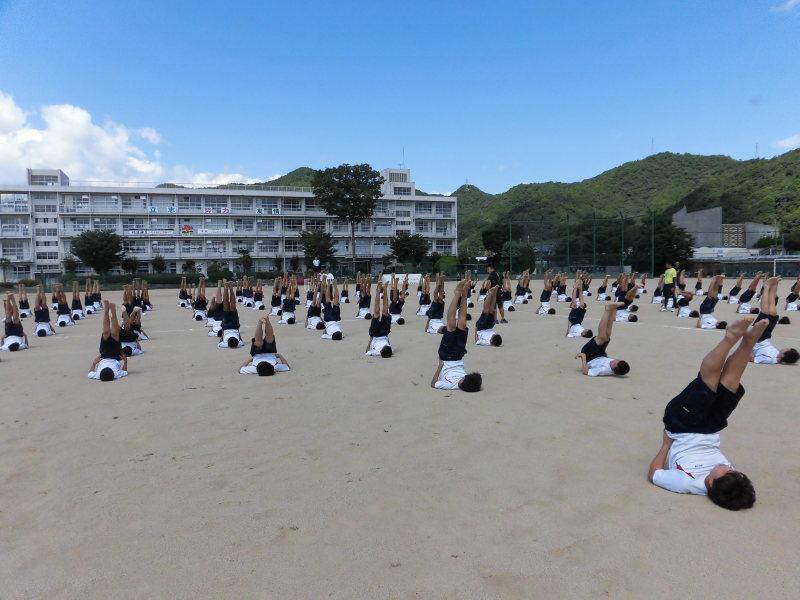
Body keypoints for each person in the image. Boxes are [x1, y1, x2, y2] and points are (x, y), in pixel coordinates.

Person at [647, 318, 763, 509]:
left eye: (726, 471)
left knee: (709, 383)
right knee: (730, 384)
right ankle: (749, 341)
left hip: (682, 425)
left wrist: (666, 444)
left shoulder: (687, 483)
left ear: (710, 482)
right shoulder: (734, 483)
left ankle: (730, 337)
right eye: (735, 472)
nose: (729, 467)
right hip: (712, 427)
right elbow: (739, 493)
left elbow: (654, 474)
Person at [430, 279, 482, 391]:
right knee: (459, 325)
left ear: (463, 381)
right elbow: (434, 384)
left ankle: (459, 294)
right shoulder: (461, 383)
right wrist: (440, 366)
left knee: (453, 325)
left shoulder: (452, 385)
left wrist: (439, 367)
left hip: (451, 355)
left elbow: (433, 384)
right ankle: (463, 295)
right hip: (454, 356)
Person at [749, 277, 799, 365]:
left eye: (787, 349)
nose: (786, 348)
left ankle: (766, 286)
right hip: (765, 338)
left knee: (765, 311)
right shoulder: (777, 355)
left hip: (757, 338)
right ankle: (774, 286)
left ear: (783, 356)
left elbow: (751, 358)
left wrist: (749, 344)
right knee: (773, 314)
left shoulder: (770, 360)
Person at [575, 303, 630, 376]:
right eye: (617, 360)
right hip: (600, 355)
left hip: (589, 356)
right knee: (607, 336)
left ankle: (607, 309)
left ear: (614, 369)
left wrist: (583, 356)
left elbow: (585, 371)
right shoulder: (617, 365)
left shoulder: (604, 370)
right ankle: (613, 309)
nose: (614, 360)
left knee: (602, 338)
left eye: (615, 363)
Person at [87, 301, 129, 381]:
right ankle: (113, 311)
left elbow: (90, 373)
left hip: (104, 355)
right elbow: (125, 372)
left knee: (106, 332)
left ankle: (106, 309)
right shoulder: (116, 374)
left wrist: (94, 363)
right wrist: (125, 362)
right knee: (114, 334)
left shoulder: (98, 375)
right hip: (115, 356)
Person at [365, 281, 393, 357]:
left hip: (375, 334)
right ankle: (385, 289)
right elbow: (388, 343)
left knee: (376, 312)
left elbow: (367, 351)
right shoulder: (389, 350)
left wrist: (370, 339)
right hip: (385, 333)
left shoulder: (376, 352)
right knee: (385, 311)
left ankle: (378, 292)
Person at [218, 282, 245, 348]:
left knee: (233, 307)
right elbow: (221, 339)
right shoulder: (224, 344)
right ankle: (226, 287)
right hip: (226, 326)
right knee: (226, 306)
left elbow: (239, 336)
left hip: (235, 326)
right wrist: (223, 329)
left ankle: (230, 287)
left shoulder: (240, 343)